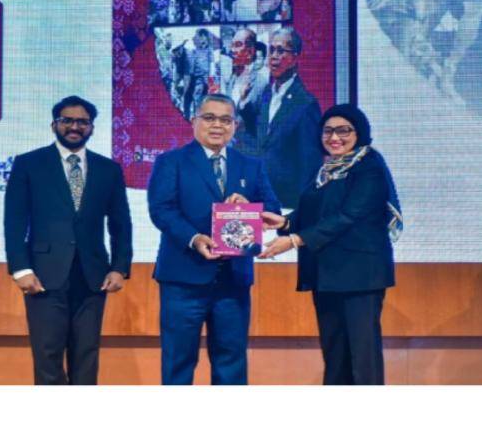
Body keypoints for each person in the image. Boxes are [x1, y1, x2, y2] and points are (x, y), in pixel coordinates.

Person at [147, 94, 281, 385]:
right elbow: (161, 210)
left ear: (235, 126)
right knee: (178, 363)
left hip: (233, 281)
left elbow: (273, 209)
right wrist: (195, 238)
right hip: (183, 279)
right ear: (194, 121)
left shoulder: (251, 165)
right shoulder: (171, 162)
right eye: (209, 118)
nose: (217, 125)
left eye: (225, 119)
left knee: (231, 364)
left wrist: (249, 207)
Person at [259, 104, 396, 386]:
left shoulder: (369, 166)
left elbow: (348, 215)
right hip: (327, 275)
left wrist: (295, 240)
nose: (334, 137)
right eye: (328, 131)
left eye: (343, 130)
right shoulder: (327, 168)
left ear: (359, 132)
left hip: (360, 276)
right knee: (335, 355)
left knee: (363, 358)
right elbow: (316, 213)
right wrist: (284, 222)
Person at [3, 96, 133, 385]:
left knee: (86, 354)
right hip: (43, 275)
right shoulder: (29, 164)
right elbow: (14, 221)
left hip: (93, 275)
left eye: (82, 122)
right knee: (47, 355)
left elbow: (121, 224)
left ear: (92, 128)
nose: (75, 127)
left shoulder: (108, 169)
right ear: (54, 125)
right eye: (67, 121)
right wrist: (20, 268)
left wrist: (119, 267)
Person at [236, 27, 322, 210]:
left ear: (295, 58)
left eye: (280, 51)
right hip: (259, 198)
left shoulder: (305, 104)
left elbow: (310, 164)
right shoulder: (266, 94)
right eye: (271, 50)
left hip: (288, 203)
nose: (273, 56)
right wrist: (243, 102)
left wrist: (302, 210)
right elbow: (259, 139)